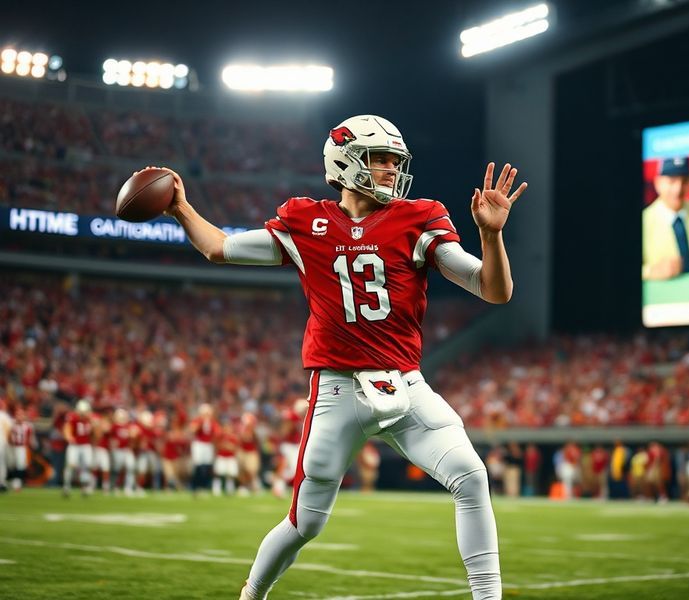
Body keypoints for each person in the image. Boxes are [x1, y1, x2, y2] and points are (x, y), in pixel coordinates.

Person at [151, 113, 526, 600]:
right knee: (304, 523)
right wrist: (181, 209)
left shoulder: (420, 217)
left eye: (396, 160)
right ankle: (251, 595)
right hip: (337, 391)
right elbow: (220, 247)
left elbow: (494, 291)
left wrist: (491, 236)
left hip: (406, 386)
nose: (392, 170)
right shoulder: (306, 220)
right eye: (381, 159)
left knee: (472, 476)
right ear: (344, 162)